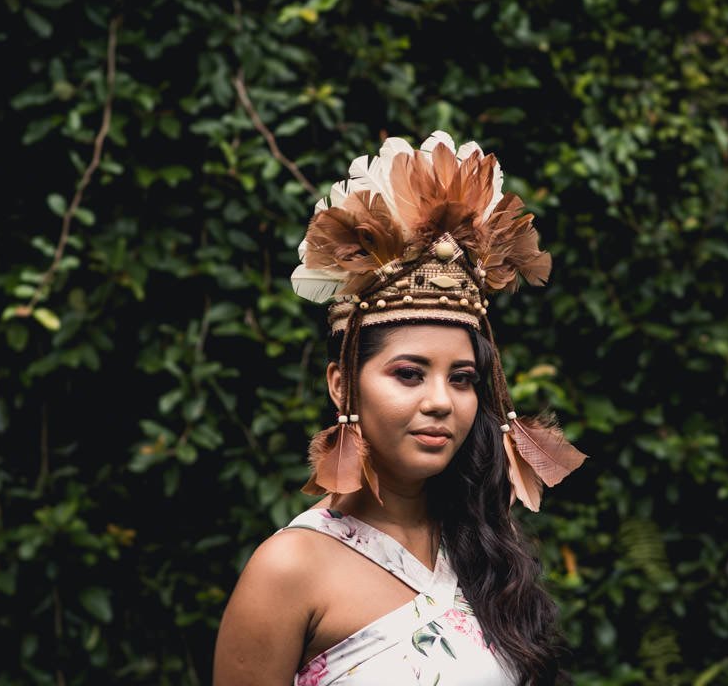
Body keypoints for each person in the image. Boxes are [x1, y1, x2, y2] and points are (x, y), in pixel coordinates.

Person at [213, 131, 586, 686]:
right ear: (342, 385)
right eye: (409, 374)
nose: (440, 402)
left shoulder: (485, 548)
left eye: (462, 379)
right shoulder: (289, 569)